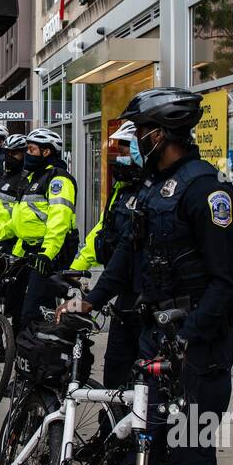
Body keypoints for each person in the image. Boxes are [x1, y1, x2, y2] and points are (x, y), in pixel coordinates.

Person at [59, 87, 233, 465]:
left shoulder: (207, 192)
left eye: (139, 133)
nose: (134, 142)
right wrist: (87, 303)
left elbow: (225, 285)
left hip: (197, 348)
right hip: (153, 339)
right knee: (130, 443)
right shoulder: (148, 189)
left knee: (190, 450)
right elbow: (123, 262)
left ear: (161, 133)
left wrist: (187, 341)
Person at [67, 121, 150, 389]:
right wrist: (77, 265)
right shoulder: (122, 189)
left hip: (148, 297)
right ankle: (112, 426)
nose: (120, 155)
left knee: (144, 376)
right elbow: (105, 231)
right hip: (124, 293)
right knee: (115, 366)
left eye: (126, 148)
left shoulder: (154, 192)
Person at [0, 128, 78, 330]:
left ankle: (41, 355)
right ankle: (19, 353)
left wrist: (47, 254)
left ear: (46, 152)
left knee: (33, 311)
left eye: (31, 149)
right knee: (14, 302)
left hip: (49, 253)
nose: (27, 154)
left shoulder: (58, 180)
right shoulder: (32, 179)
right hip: (28, 251)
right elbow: (19, 222)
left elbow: (59, 221)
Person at [0, 133, 30, 326]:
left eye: (16, 154)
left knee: (12, 296)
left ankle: (11, 337)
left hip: (11, 244)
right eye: (7, 153)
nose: (10, 157)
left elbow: (20, 219)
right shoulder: (5, 176)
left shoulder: (23, 180)